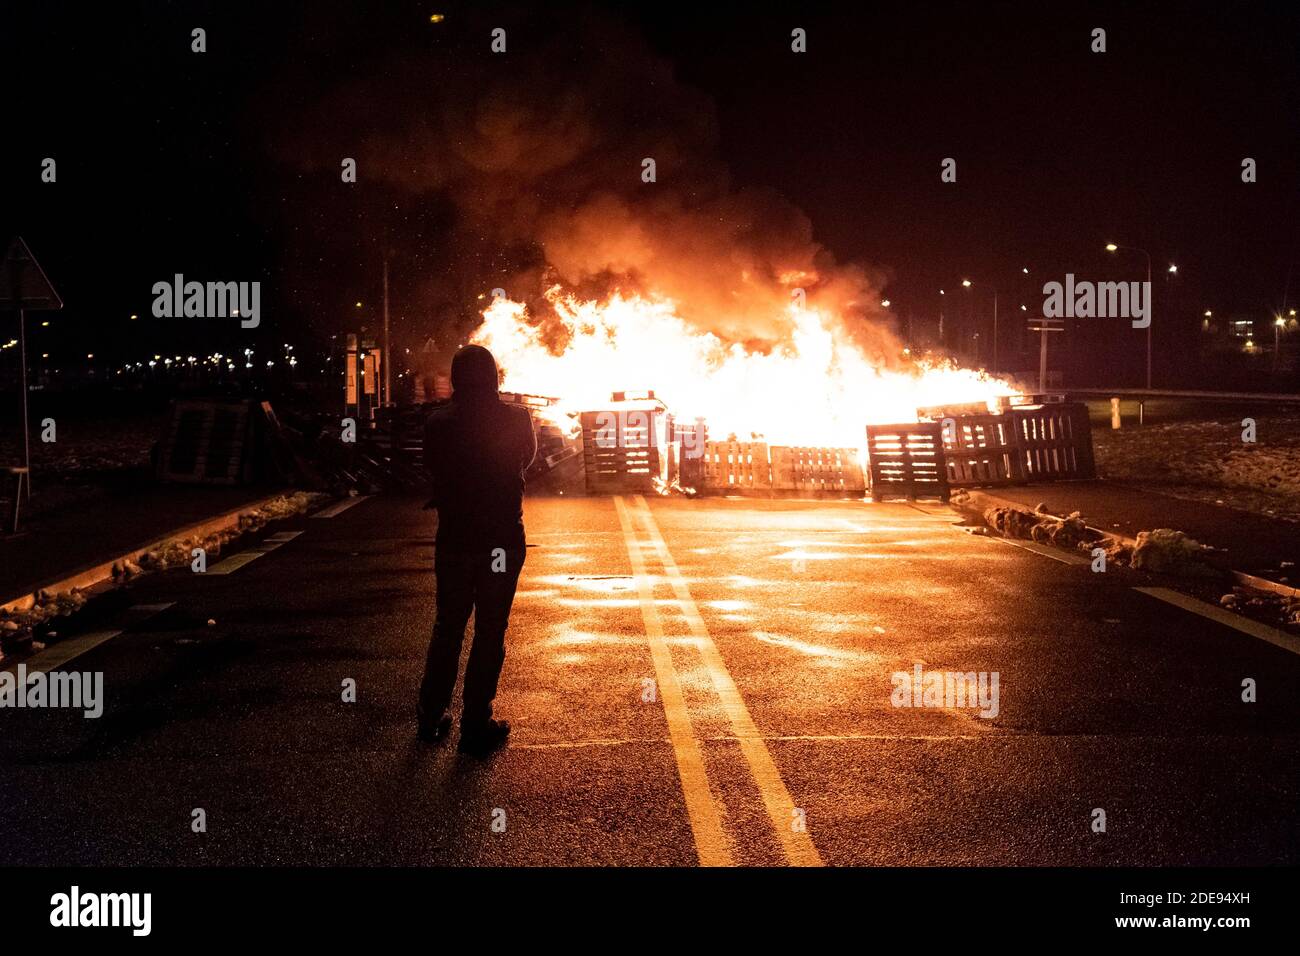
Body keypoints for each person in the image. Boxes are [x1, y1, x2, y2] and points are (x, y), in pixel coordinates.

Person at [417, 344, 536, 756]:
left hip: (455, 538)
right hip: (500, 537)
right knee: (490, 630)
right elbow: (527, 460)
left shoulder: (437, 424)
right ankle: (475, 722)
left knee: (447, 627)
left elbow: (432, 467)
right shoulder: (517, 419)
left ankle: (431, 717)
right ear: (493, 378)